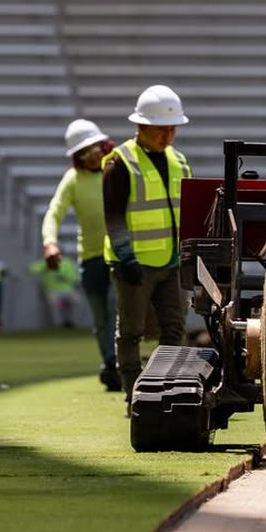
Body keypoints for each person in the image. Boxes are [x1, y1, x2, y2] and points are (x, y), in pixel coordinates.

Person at [103, 85, 192, 398]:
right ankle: (133, 394)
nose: (167, 137)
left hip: (172, 262)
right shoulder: (120, 163)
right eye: (160, 130)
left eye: (172, 130)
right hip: (134, 265)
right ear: (141, 127)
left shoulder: (180, 162)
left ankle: (169, 390)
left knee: (175, 329)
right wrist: (125, 257)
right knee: (130, 332)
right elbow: (113, 216)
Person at [42, 117, 119, 388]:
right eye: (84, 152)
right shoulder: (73, 179)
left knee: (113, 307)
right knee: (100, 317)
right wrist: (50, 242)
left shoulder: (117, 169)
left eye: (95, 147)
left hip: (118, 255)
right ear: (76, 157)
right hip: (90, 258)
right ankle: (110, 362)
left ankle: (117, 363)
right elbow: (54, 212)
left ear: (104, 145)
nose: (92, 155)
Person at [29, 252, 80, 328]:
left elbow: (75, 278)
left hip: (68, 290)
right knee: (54, 305)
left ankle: (71, 322)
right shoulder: (46, 262)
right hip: (52, 290)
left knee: (76, 301)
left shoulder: (68, 263)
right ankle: (57, 324)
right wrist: (46, 266)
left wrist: (64, 277)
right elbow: (31, 269)